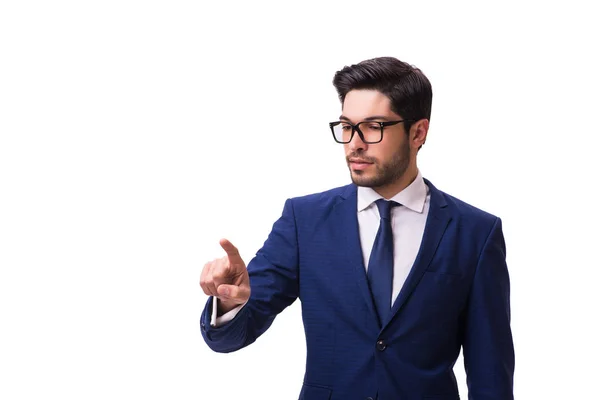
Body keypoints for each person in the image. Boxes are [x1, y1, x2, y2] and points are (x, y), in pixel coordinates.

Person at [199, 56, 515, 400]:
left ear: (418, 132)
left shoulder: (475, 233)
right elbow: (231, 337)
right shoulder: (304, 220)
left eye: (373, 126)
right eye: (347, 126)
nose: (355, 143)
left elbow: (490, 375)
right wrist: (231, 304)